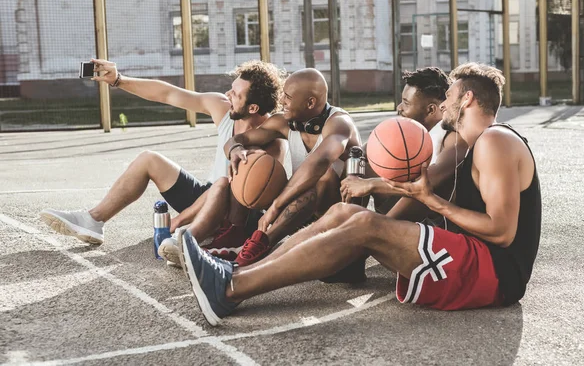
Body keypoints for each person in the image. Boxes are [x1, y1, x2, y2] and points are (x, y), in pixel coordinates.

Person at [177, 62, 542, 326]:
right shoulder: (472, 143)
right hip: (471, 257)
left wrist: (432, 200)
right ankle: (242, 268)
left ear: (467, 100)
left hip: (494, 273)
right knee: (343, 214)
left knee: (364, 225)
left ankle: (229, 289)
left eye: (448, 96)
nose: (443, 104)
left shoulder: (495, 140)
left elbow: (502, 231)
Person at [40, 58, 286, 263]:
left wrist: (181, 218)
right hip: (207, 196)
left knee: (223, 184)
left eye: (235, 93)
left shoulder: (273, 139)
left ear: (253, 108)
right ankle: (93, 220)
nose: (227, 94)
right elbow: (168, 93)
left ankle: (193, 240)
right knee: (150, 159)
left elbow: (244, 193)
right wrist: (118, 80)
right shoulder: (223, 109)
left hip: (239, 214)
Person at [169, 68, 361, 269]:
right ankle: (235, 235)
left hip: (337, 218)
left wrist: (275, 207)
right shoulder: (284, 122)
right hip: (302, 211)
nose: (281, 101)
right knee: (251, 158)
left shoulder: (339, 124)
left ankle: (261, 244)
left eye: (287, 97)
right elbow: (238, 139)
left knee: (325, 176)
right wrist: (236, 149)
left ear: (310, 103)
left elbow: (319, 163)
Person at [340, 67, 468, 218]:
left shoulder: (452, 137)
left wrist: (370, 184)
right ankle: (348, 216)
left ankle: (376, 227)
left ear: (431, 109)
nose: (399, 107)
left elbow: (427, 185)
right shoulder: (410, 132)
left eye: (406, 103)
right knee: (359, 161)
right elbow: (360, 153)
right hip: (405, 201)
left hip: (430, 217)